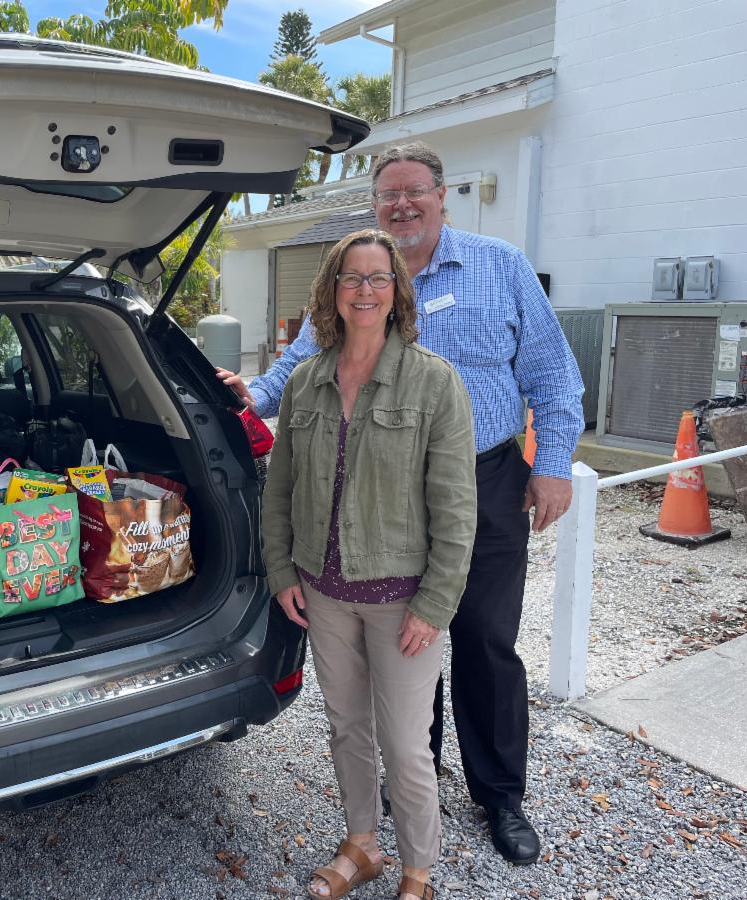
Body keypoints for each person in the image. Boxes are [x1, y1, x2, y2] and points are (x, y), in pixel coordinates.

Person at [221, 142, 585, 865]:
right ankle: (416, 772)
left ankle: (499, 794)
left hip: (482, 479)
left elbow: (552, 371)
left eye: (416, 191)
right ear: (374, 204)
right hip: (378, 491)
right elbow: (300, 367)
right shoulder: (358, 276)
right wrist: (246, 398)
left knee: (482, 636)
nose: (403, 204)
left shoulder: (499, 266)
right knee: (407, 640)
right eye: (389, 194)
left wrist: (552, 465)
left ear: (442, 196)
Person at [262, 228, 476, 900]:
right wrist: (281, 570)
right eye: (351, 277)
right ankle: (362, 845)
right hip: (323, 594)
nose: (364, 289)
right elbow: (280, 488)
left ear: (397, 291)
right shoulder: (305, 382)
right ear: (331, 291)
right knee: (347, 727)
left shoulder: (433, 383)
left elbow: (456, 509)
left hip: (402, 602)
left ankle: (418, 871)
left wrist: (435, 604)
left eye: (378, 277)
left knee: (408, 746)